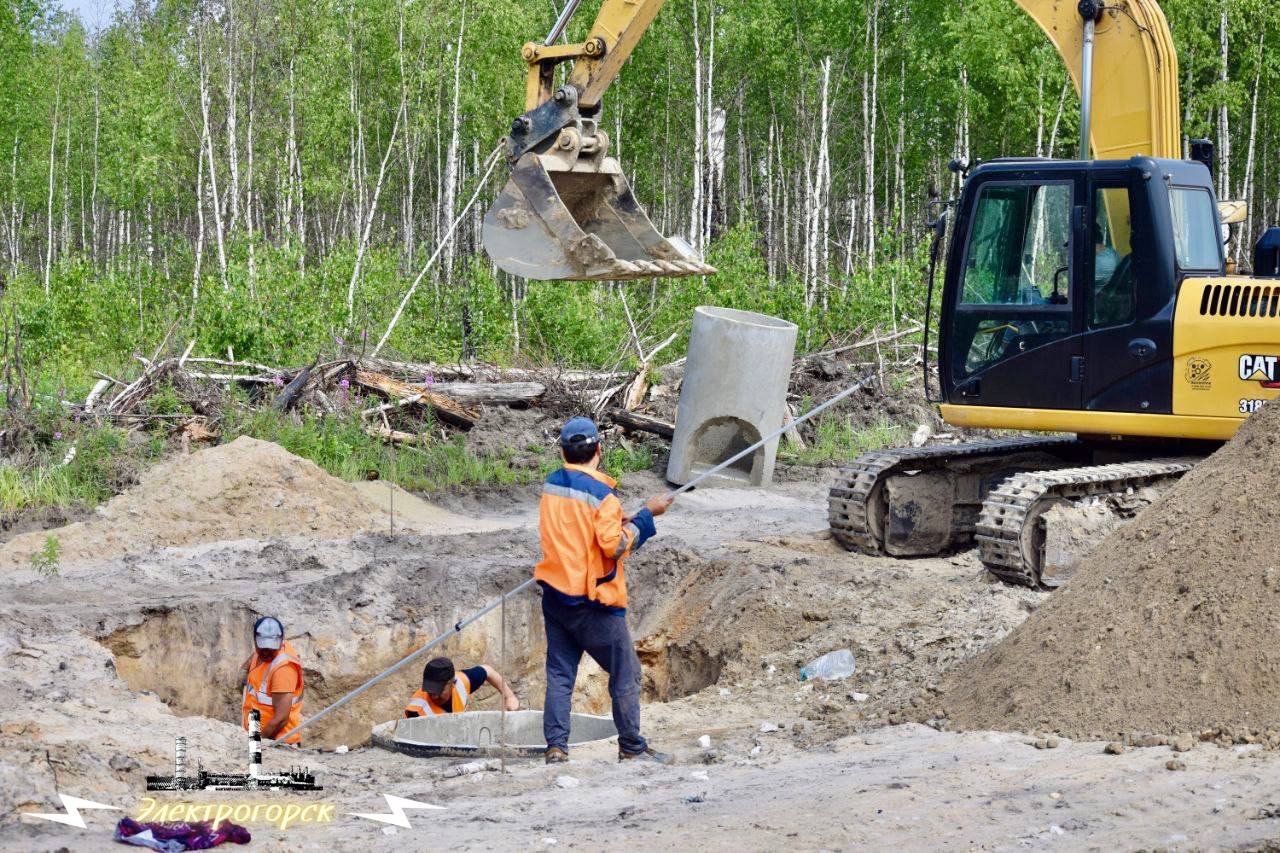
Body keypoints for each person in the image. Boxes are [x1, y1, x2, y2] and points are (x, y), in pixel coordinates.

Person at [534, 416, 674, 765]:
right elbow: (614, 548)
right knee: (626, 673)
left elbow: (576, 528)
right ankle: (631, 747)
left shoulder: (552, 484)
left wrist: (616, 519)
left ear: (564, 452)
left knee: (560, 675)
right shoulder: (603, 496)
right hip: (594, 603)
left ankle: (556, 747)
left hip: (556, 596)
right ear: (599, 449)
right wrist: (645, 516)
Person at [239, 616, 304, 744]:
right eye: (262, 647)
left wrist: (257, 744)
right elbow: (258, 654)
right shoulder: (264, 652)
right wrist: (245, 669)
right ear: (255, 640)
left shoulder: (283, 669)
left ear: (281, 641)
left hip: (276, 742)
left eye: (271, 648)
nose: (266, 652)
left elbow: (280, 720)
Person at [404, 657, 519, 717]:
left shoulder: (462, 682)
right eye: (430, 690)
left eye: (439, 690)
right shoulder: (417, 710)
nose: (434, 696)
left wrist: (509, 696)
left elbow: (488, 671)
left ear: (452, 684)